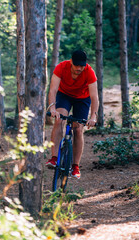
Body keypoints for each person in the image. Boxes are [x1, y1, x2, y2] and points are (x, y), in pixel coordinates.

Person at [46, 50, 99, 179]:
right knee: (59, 120)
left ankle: (75, 166)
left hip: (82, 98)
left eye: (82, 66)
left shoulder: (89, 72)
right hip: (64, 95)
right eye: (77, 65)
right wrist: (52, 108)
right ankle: (54, 157)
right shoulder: (61, 67)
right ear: (71, 62)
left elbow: (94, 97)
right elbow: (53, 90)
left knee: (78, 129)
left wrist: (93, 116)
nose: (79, 68)